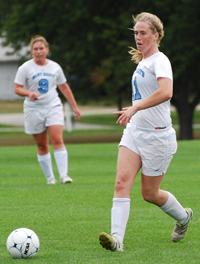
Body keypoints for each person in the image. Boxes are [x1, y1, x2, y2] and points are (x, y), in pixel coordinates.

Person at [99, 12, 193, 251]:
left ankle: (183, 217)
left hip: (158, 137)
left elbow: (166, 92)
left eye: (143, 33)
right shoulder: (142, 61)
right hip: (134, 132)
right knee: (121, 182)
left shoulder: (160, 60)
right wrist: (133, 112)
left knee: (150, 194)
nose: (138, 37)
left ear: (156, 35)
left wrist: (136, 107)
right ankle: (116, 240)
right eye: (136, 33)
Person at [14, 35, 81, 184]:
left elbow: (63, 86)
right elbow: (17, 89)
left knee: (57, 139)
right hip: (33, 109)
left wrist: (75, 107)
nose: (39, 51)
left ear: (47, 50)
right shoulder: (25, 68)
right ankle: (50, 178)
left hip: (53, 106)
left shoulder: (55, 67)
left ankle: (64, 175)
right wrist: (29, 93)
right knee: (42, 145)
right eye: (35, 49)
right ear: (32, 51)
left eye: (41, 48)